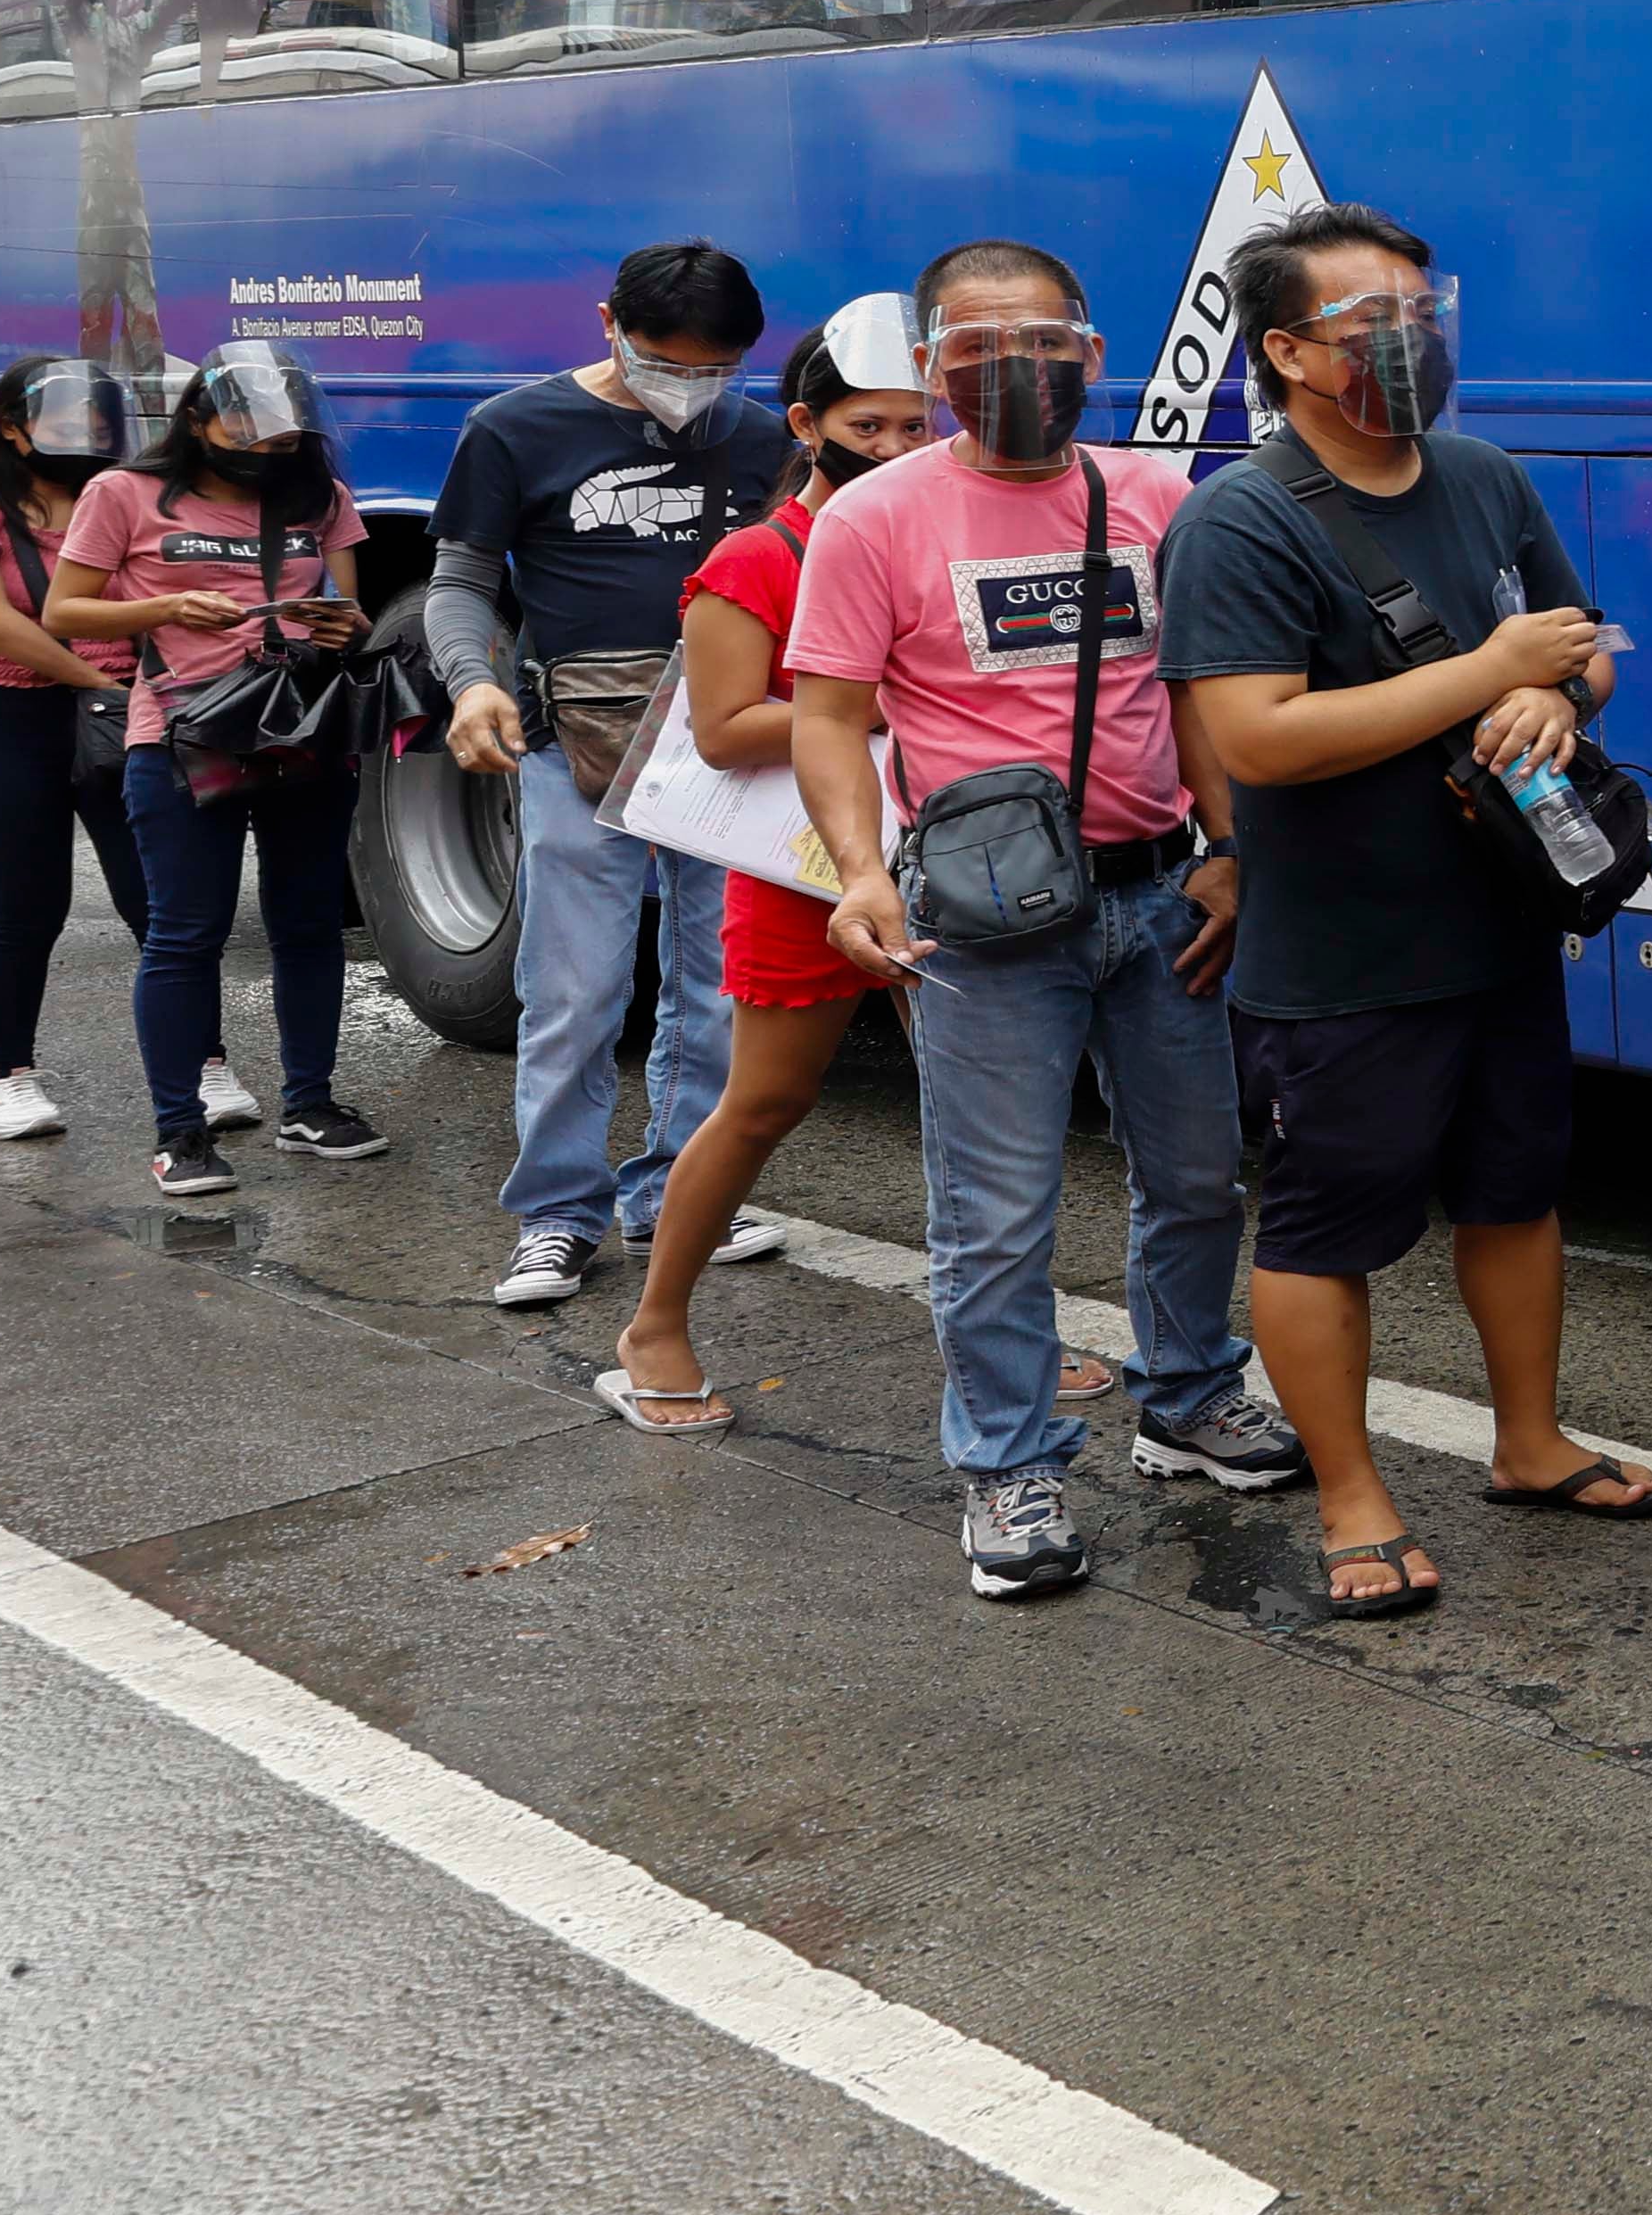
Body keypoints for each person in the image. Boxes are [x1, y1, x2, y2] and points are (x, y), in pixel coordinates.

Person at [1161, 204, 1652, 1619]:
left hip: (1503, 927)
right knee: (1325, 1229)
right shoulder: (1241, 517)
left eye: (1420, 316)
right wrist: (1484, 675)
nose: (1410, 344)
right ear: (1284, 352)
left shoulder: (1486, 475)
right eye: (1371, 325)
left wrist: (1548, 694)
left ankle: (1531, 1443)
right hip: (1342, 958)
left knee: (1517, 1198)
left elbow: (1589, 654)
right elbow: (1257, 739)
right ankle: (1352, 1497)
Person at [786, 243, 1299, 1600]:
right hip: (984, 922)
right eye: (977, 347)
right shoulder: (874, 517)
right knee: (997, 1216)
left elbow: (1199, 692)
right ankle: (1007, 1467)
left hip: (1157, 894)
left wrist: (1232, 852)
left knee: (1198, 1176)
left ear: (1091, 352)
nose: (1014, 371)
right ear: (936, 365)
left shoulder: (1156, 495)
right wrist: (858, 869)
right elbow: (829, 718)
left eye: (1043, 343)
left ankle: (1188, 1392)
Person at [423, 241, 790, 1312]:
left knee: (720, 988)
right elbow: (461, 583)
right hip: (576, 745)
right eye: (667, 360)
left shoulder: (761, 434)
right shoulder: (514, 428)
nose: (692, 386)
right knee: (575, 988)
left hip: (728, 743)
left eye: (717, 367)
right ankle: (558, 1212)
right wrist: (469, 683)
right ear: (606, 324)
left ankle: (681, 1191)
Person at [599, 300, 938, 1435]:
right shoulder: (756, 557)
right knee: (764, 1102)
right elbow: (725, 727)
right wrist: (872, 703)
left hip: (943, 858)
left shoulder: (934, 535)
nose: (895, 448)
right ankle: (654, 1324)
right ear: (805, 423)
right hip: (803, 872)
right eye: (868, 426)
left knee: (982, 1104)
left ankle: (1003, 1327)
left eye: (913, 425)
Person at [50, 341, 396, 1198]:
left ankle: (309, 1105)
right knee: (185, 931)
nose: (266, 449)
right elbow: (64, 609)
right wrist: (167, 604)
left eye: (284, 438)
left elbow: (351, 615)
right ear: (196, 419)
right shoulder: (122, 493)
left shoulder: (325, 499)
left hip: (301, 731)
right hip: (179, 733)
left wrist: (337, 627)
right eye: (247, 430)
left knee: (308, 922)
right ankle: (180, 1133)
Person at [0, 358, 162, 1140]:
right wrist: (96, 677)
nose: (85, 439)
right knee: (28, 912)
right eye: (65, 424)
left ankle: (201, 1066)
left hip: (124, 715)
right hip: (8, 718)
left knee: (159, 908)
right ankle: (8, 1076)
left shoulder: (127, 494)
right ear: (12, 427)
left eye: (98, 425)